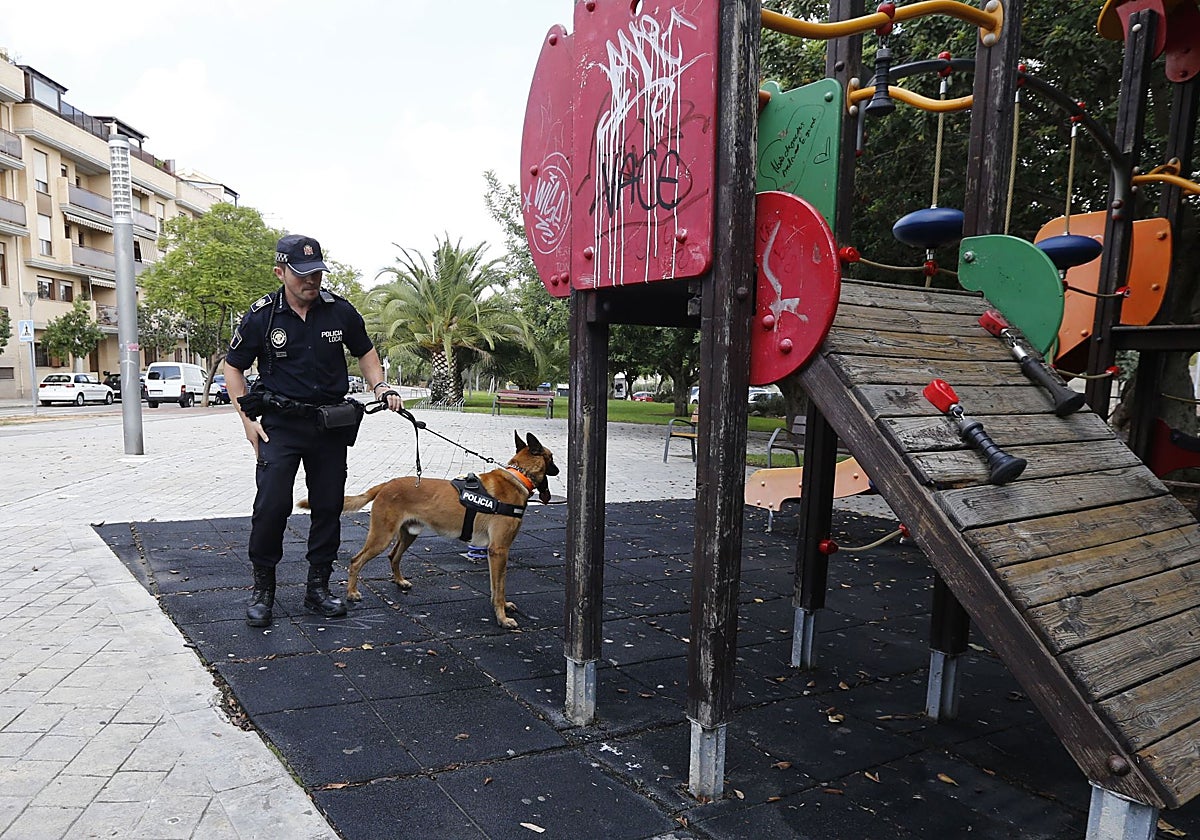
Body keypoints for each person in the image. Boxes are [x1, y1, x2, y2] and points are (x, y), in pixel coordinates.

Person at [224, 234, 404, 627]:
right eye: (302, 273)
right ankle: (263, 591)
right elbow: (233, 366)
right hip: (280, 426)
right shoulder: (262, 316)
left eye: (317, 272)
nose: (312, 280)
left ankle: (318, 589)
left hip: (329, 424)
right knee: (271, 506)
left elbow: (365, 351)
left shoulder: (339, 311)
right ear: (280, 272)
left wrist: (380, 385)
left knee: (327, 507)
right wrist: (246, 421)